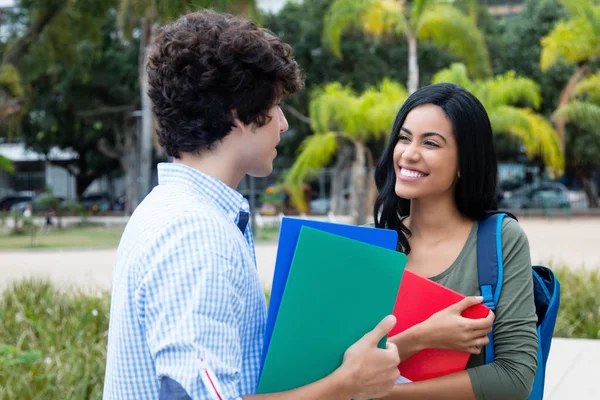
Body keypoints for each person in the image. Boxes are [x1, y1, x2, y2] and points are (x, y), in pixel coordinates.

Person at [103, 10, 401, 400]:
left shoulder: (174, 211)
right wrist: (346, 384)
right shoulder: (196, 233)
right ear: (238, 116)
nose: (283, 123)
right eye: (275, 104)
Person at [373, 83, 538, 400]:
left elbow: (515, 378)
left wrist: (382, 393)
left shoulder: (500, 240)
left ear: (465, 162)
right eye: (404, 138)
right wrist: (423, 337)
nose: (409, 153)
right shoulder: (372, 242)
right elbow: (334, 367)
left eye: (430, 143)